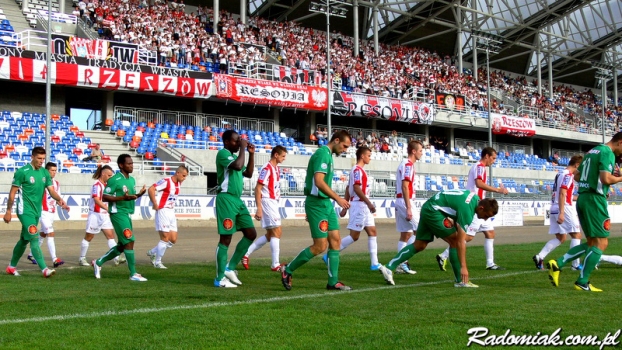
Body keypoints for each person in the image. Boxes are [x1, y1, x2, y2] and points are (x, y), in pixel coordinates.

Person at [548, 132, 622, 292]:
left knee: (591, 243)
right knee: (602, 243)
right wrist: (620, 178)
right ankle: (582, 281)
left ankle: (558, 264)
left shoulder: (592, 151)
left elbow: (577, 175)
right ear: (620, 142)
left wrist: (592, 183)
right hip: (595, 200)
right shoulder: (607, 153)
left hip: (583, 198)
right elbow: (606, 179)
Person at [379, 190, 498, 287]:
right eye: (486, 216)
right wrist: (464, 267)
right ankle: (461, 281)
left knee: (420, 244)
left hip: (429, 207)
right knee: (455, 241)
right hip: (434, 211)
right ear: (481, 208)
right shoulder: (468, 209)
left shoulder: (474, 199)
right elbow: (461, 241)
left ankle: (389, 267)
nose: (485, 219)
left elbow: (453, 205)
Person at [280, 130, 351, 291]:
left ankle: (333, 282)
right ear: (337, 140)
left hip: (325, 204)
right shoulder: (322, 154)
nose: (345, 150)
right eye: (344, 146)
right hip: (317, 204)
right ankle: (288, 269)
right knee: (320, 246)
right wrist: (338, 198)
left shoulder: (328, 155)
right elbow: (319, 182)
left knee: (335, 241)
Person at [436, 147, 508, 271]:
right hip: (476, 207)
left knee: (490, 233)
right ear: (486, 156)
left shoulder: (479, 167)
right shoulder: (480, 167)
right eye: (493, 158)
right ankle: (443, 255)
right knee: (467, 237)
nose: (494, 161)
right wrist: (497, 190)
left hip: (480, 206)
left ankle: (490, 263)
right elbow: (479, 183)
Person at [4, 147, 66, 277]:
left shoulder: (44, 173)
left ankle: (11, 267)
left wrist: (60, 200)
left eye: (43, 159)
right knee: (34, 237)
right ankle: (44, 269)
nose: (41, 161)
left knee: (24, 240)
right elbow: (12, 193)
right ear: (32, 157)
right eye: (39, 158)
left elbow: (51, 190)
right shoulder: (22, 172)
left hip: (37, 211)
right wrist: (8, 211)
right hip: (24, 211)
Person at [92, 154, 147, 282]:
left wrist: (138, 195)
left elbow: (129, 197)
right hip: (117, 213)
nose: (131, 165)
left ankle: (99, 262)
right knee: (129, 241)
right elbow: (105, 197)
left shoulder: (132, 180)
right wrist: (122, 198)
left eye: (132, 163)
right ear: (121, 165)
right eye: (129, 163)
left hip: (127, 213)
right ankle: (133, 273)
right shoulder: (114, 180)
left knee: (122, 245)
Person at [214, 130, 258, 288]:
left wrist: (251, 153)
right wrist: (243, 148)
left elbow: (249, 172)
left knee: (251, 233)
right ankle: (219, 279)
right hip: (226, 199)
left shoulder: (234, 156)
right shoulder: (223, 154)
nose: (239, 142)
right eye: (236, 141)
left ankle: (229, 268)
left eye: (240, 140)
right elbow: (239, 166)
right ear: (226, 142)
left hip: (237, 201)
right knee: (226, 238)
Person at [330, 146, 381, 270]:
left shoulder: (359, 170)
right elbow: (356, 188)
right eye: (368, 155)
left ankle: (374, 263)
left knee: (372, 232)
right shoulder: (357, 170)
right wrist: (368, 203)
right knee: (354, 236)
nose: (370, 158)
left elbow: (349, 188)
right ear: (362, 156)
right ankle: (330, 254)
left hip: (362, 205)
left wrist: (345, 207)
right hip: (360, 205)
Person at [533, 155, 583, 270]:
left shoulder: (560, 173)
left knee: (561, 237)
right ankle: (575, 265)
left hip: (554, 206)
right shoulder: (568, 175)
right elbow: (562, 193)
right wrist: (562, 212)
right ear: (577, 165)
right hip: (564, 207)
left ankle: (540, 256)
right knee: (576, 235)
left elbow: (565, 194)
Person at [242, 146, 287, 271]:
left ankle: (245, 254)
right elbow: (258, 188)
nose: (284, 159)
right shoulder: (266, 169)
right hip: (268, 202)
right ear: (276, 155)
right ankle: (275, 264)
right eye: (283, 156)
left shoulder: (276, 168)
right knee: (277, 232)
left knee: (270, 234)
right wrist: (259, 208)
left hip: (273, 202)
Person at [79, 165, 125, 267]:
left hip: (104, 216)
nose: (110, 177)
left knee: (111, 236)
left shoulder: (107, 186)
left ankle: (117, 257)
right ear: (103, 174)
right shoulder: (96, 185)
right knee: (89, 237)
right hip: (95, 215)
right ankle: (82, 258)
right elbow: (96, 199)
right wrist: (106, 208)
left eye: (111, 176)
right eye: (109, 175)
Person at [146, 165, 190, 269]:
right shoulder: (166, 181)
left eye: (186, 176)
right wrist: (155, 203)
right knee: (165, 238)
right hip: (163, 211)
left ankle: (152, 252)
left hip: (171, 212)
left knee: (173, 240)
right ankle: (158, 262)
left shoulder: (179, 183)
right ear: (177, 173)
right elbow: (151, 189)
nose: (185, 178)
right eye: (183, 175)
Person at [28, 162, 69, 268]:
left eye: (55, 170)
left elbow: (57, 197)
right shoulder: (41, 181)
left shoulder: (56, 183)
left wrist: (63, 204)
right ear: (47, 171)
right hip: (43, 212)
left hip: (51, 212)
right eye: (52, 170)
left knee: (43, 234)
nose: (54, 172)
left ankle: (31, 254)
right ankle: (55, 259)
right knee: (50, 233)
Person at [393, 140, 424, 275]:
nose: (422, 153)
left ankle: (400, 264)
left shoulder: (406, 164)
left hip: (401, 200)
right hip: (405, 201)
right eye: (420, 151)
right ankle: (401, 261)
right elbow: (405, 186)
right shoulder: (408, 165)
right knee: (421, 232)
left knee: (406, 234)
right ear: (414, 151)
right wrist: (409, 207)